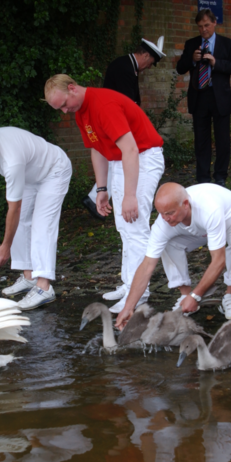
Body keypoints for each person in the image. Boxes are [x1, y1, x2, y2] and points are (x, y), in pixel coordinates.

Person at [44, 74, 165, 313]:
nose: (65, 111)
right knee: (123, 225)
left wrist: (130, 195)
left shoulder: (103, 105)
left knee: (135, 224)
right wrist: (102, 189)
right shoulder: (80, 112)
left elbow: (130, 149)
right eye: (60, 109)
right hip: (120, 162)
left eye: (64, 104)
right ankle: (129, 282)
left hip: (142, 157)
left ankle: (138, 293)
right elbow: (97, 151)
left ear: (72, 88)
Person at [115, 182, 231, 328]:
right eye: (161, 213)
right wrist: (128, 307)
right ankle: (185, 296)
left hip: (230, 219)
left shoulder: (209, 209)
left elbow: (219, 260)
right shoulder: (163, 224)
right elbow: (147, 266)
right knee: (166, 243)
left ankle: (230, 294)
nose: (166, 219)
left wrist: (197, 295)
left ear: (185, 204)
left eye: (170, 213)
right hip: (201, 229)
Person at [0, 126, 72, 310]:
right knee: (22, 221)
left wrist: (6, 245)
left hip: (54, 170)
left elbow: (13, 208)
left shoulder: (11, 159)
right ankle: (29, 276)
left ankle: (44, 286)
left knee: (42, 225)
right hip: (30, 175)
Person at [83, 37, 166, 222]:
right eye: (150, 63)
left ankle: (96, 197)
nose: (148, 67)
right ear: (144, 55)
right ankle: (95, 198)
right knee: (121, 160)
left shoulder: (127, 66)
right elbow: (126, 102)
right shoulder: (125, 68)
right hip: (115, 124)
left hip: (116, 122)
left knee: (119, 162)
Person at [176, 9, 231, 186]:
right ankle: (203, 178)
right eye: (200, 26)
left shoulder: (228, 44)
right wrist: (192, 60)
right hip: (200, 97)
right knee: (201, 141)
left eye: (206, 25)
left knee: (222, 140)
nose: (203, 29)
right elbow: (180, 68)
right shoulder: (192, 44)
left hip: (219, 97)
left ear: (214, 23)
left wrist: (215, 62)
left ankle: (220, 177)